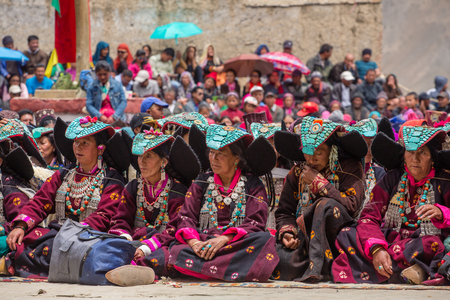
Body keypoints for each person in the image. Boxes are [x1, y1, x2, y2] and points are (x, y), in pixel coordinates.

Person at [5, 117, 129, 278]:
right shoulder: (64, 174)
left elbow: (105, 216)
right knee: (23, 239)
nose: (79, 147)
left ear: (100, 149)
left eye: (86, 143)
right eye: (76, 142)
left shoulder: (112, 179)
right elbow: (40, 201)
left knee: (85, 253)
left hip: (90, 238)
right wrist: (20, 226)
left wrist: (72, 235)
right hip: (57, 233)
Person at [332, 125, 450, 285]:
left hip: (419, 242)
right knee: (346, 233)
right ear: (404, 155)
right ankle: (405, 270)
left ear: (433, 157)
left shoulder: (444, 180)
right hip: (387, 240)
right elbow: (369, 216)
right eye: (410, 152)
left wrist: (441, 212)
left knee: (432, 244)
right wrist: (376, 249)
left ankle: (386, 269)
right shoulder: (393, 178)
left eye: (422, 152)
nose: (415, 159)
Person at [168, 124, 278, 282]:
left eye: (221, 154)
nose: (214, 159)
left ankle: (201, 269)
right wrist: (194, 243)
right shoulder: (202, 181)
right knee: (177, 248)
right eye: (212, 152)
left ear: (236, 158)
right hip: (204, 241)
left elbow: (256, 221)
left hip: (236, 243)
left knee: (264, 240)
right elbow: (186, 216)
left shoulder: (253, 184)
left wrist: (224, 239)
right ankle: (232, 269)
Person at [273, 117, 366, 281]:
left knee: (324, 205)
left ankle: (320, 266)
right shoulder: (297, 172)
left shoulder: (350, 167)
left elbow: (352, 205)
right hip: (305, 238)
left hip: (339, 236)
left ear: (332, 150)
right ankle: (312, 264)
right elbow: (284, 211)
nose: (311, 159)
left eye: (319, 152)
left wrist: (320, 183)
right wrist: (287, 231)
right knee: (276, 258)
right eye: (307, 152)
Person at [104, 130, 200, 285]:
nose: (142, 161)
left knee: (173, 254)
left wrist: (147, 247)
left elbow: (175, 226)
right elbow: (121, 220)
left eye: (149, 156)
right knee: (108, 246)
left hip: (163, 243)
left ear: (163, 162)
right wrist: (124, 242)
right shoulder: (133, 187)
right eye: (140, 156)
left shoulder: (176, 190)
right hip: (135, 243)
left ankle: (138, 270)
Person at [344, 118, 388, 215]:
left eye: (370, 144)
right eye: (363, 145)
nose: (367, 150)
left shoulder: (380, 173)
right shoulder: (344, 171)